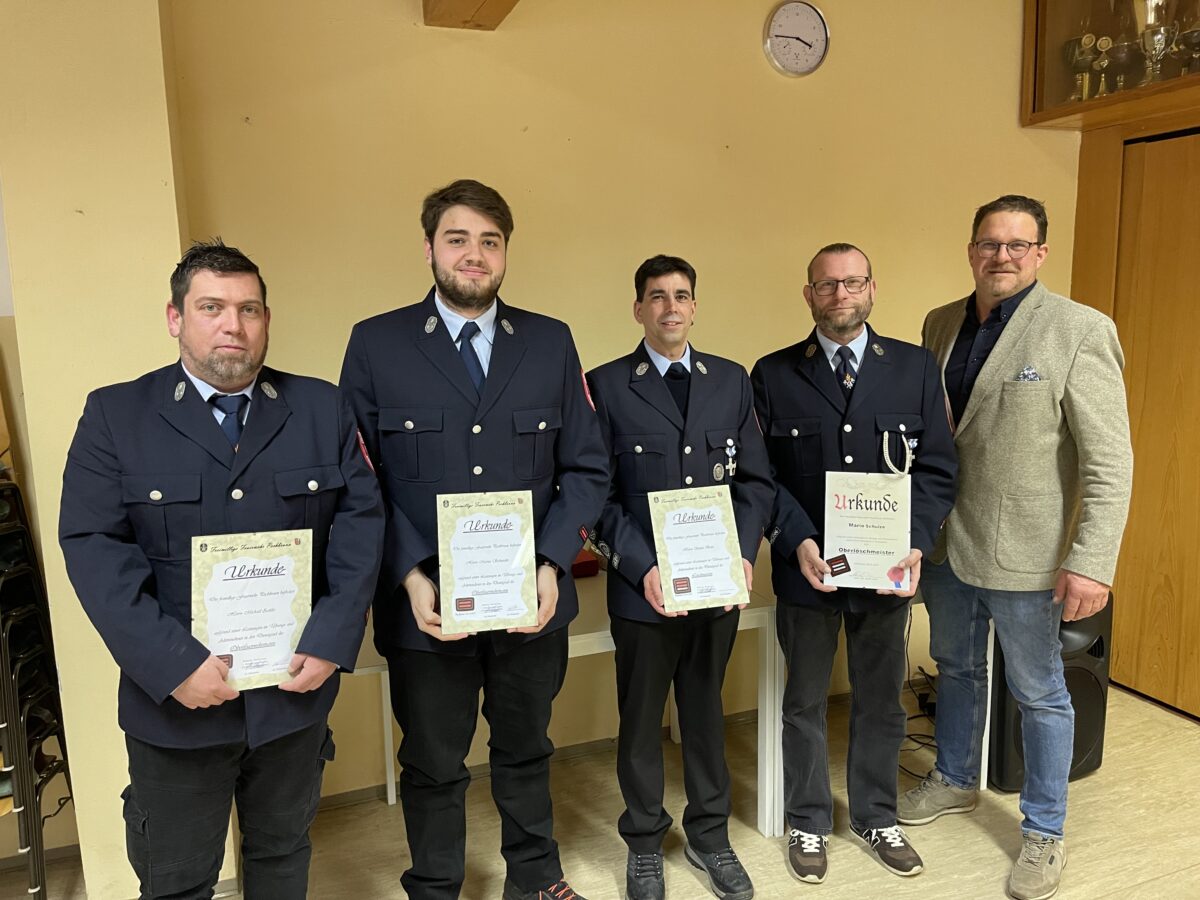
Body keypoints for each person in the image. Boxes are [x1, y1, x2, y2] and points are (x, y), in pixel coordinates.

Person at [58, 240, 385, 899]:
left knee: (283, 860)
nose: (233, 324)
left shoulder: (322, 408)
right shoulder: (116, 416)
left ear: (266, 319)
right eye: (211, 307)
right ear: (176, 318)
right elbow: (94, 545)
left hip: (292, 703)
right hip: (177, 711)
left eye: (249, 308)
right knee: (177, 881)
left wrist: (331, 640)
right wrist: (171, 663)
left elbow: (361, 524)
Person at [338, 179, 609, 900]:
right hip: (425, 607)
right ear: (429, 247)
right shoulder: (376, 344)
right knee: (432, 760)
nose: (474, 255)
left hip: (531, 604)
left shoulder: (550, 342)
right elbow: (358, 480)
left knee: (526, 747)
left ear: (505, 253)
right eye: (458, 239)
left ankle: (536, 876)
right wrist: (407, 574)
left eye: (490, 241)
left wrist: (554, 561)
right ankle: (435, 885)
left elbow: (586, 465)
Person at [898, 195, 1133, 900]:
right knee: (954, 669)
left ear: (1040, 254)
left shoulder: (1080, 330)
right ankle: (955, 779)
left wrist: (1092, 559)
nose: (1001, 255)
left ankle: (1044, 830)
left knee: (1040, 692)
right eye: (988, 243)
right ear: (971, 250)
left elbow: (1109, 460)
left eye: (1016, 244)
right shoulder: (939, 323)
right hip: (947, 542)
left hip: (1028, 552)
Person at [750, 243, 957, 885]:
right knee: (804, 701)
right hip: (806, 569)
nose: (842, 294)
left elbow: (938, 470)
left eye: (853, 282)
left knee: (881, 701)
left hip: (887, 572)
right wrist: (797, 541)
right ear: (809, 294)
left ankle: (874, 814)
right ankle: (809, 820)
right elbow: (762, 477)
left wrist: (916, 541)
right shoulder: (773, 373)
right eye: (827, 284)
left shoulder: (917, 369)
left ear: (872, 289)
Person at [585, 255, 773, 900]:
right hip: (645, 593)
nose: (670, 307)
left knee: (704, 712)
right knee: (640, 721)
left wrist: (743, 553)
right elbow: (596, 497)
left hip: (716, 586)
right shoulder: (605, 386)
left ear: (695, 306)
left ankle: (710, 837)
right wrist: (643, 568)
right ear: (638, 308)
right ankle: (643, 842)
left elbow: (754, 482)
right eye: (657, 297)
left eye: (682, 296)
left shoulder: (730, 381)